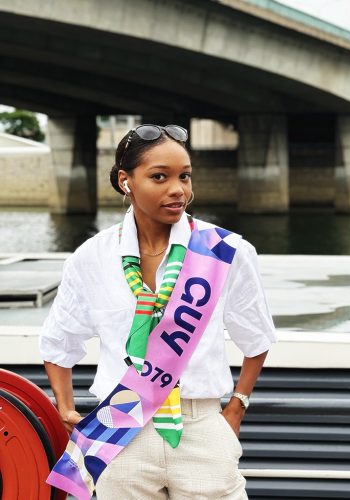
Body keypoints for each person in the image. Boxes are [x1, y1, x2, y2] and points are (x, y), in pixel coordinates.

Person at [40, 124, 277, 499]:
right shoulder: (92, 257)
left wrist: (235, 410)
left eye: (185, 176)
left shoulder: (225, 251)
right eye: (159, 177)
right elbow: (58, 342)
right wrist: (65, 409)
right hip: (119, 432)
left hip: (201, 427)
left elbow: (257, 336)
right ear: (125, 181)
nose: (178, 189)